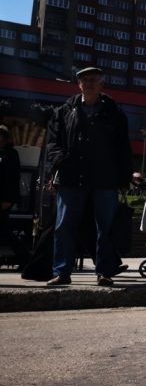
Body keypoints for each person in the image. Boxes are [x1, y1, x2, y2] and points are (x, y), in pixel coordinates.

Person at [45, 67, 133, 287]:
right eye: (84, 80)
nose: (89, 83)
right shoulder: (65, 110)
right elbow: (53, 142)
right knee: (64, 226)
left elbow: (123, 148)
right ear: (79, 84)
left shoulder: (114, 112)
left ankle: (104, 272)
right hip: (71, 176)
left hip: (105, 178)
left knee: (105, 227)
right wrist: (59, 162)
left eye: (93, 80)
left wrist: (123, 178)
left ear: (102, 84)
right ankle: (62, 272)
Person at [0, 125, 30, 269]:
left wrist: (8, 199)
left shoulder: (11, 154)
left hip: (4, 199)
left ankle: (25, 259)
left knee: (5, 233)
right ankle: (25, 259)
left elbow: (12, 179)